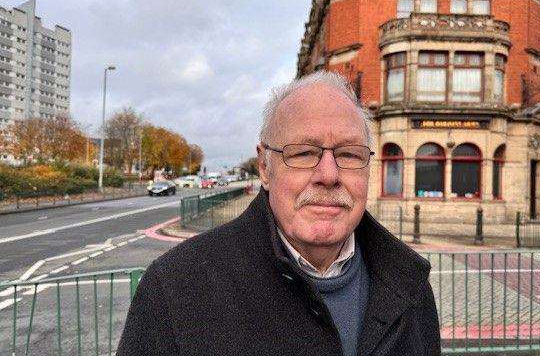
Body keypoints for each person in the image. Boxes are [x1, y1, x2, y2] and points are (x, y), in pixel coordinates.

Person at [117, 71, 441, 355]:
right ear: (265, 167)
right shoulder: (175, 289)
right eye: (303, 153)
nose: (328, 174)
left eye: (349, 154)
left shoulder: (410, 284)